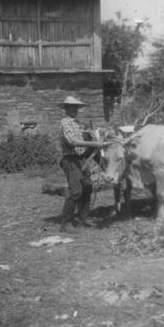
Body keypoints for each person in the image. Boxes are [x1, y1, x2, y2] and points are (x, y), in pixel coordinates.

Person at [58, 96, 109, 232]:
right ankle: (65, 223)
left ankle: (84, 217)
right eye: (71, 107)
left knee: (87, 188)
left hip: (81, 159)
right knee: (76, 191)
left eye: (76, 107)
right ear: (66, 109)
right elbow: (73, 142)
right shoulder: (65, 122)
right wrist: (94, 143)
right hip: (70, 159)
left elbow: (84, 138)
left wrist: (94, 135)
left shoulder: (77, 123)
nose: (74, 110)